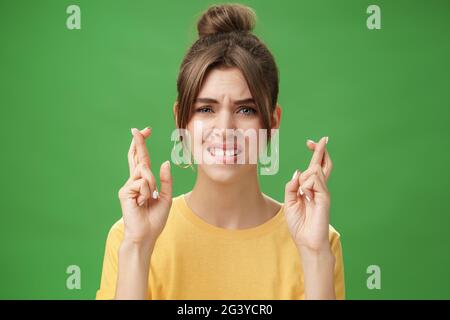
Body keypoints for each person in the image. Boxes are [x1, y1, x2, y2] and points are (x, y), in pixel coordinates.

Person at [96, 3, 345, 300]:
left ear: (272, 122)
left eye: (246, 109)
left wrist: (314, 253)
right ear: (181, 121)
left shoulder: (317, 239)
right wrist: (138, 246)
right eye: (205, 109)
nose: (225, 128)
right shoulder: (129, 235)